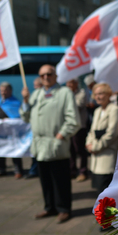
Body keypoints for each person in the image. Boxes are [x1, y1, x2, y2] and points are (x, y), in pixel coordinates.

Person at [20, 65, 80, 224]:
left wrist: (60, 136)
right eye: (42, 75)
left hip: (55, 144)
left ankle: (64, 209)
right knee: (45, 179)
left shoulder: (64, 93)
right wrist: (25, 100)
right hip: (39, 145)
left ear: (55, 75)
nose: (45, 77)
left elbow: (73, 120)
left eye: (49, 74)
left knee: (60, 180)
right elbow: (26, 117)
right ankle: (50, 207)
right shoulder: (36, 94)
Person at [85, 83, 118, 195]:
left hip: (107, 155)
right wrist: (88, 144)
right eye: (95, 94)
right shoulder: (97, 111)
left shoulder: (114, 109)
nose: (98, 97)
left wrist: (95, 146)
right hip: (95, 158)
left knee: (106, 191)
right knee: (99, 191)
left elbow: (112, 133)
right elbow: (91, 131)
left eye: (101, 93)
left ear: (108, 94)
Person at [0, 82, 24, 179]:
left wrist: (9, 120)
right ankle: (1, 169)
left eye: (5, 90)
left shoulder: (15, 103)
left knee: (14, 150)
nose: (3, 93)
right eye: (1, 91)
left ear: (10, 91)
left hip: (11, 132)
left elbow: (18, 116)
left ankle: (18, 170)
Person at [66, 78, 89, 182]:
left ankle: (83, 171)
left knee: (80, 149)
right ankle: (72, 171)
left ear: (76, 83)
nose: (69, 85)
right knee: (70, 150)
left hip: (80, 126)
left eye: (71, 82)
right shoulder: (65, 93)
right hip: (69, 126)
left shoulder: (82, 93)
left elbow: (76, 107)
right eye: (68, 83)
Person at [26, 77, 43, 179]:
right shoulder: (34, 96)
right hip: (35, 133)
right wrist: (25, 99)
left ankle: (36, 170)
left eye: (36, 85)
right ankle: (34, 170)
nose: (34, 87)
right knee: (35, 153)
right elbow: (26, 114)